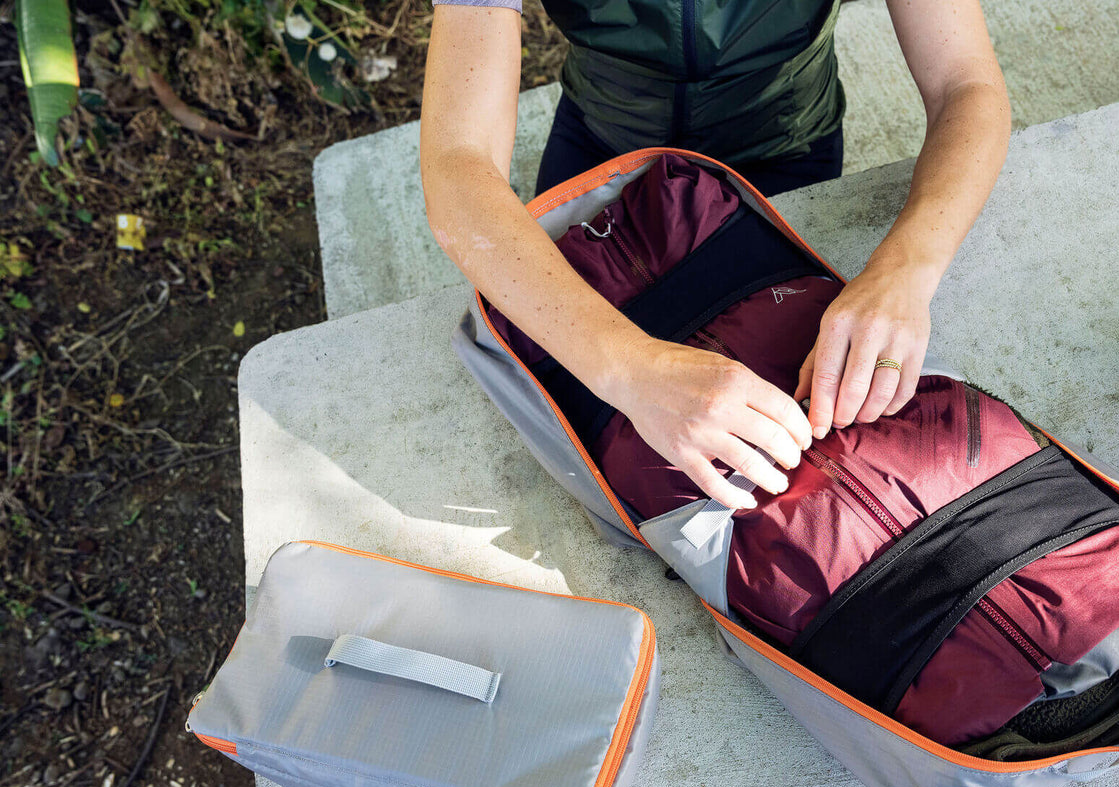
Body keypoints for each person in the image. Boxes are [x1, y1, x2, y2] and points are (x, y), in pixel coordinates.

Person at [419, 0, 1011, 510]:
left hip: (785, 154)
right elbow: (456, 165)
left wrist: (905, 270)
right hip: (605, 155)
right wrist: (629, 368)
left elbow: (965, 84)